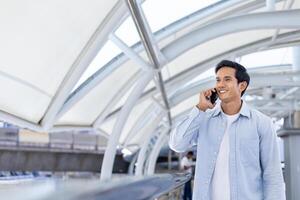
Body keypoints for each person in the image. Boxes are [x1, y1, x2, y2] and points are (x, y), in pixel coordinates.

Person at [169, 60, 285, 200]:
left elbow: (272, 176)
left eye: (227, 79)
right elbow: (177, 144)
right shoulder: (204, 119)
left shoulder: (262, 123)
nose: (220, 85)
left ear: (242, 85)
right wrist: (200, 108)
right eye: (218, 80)